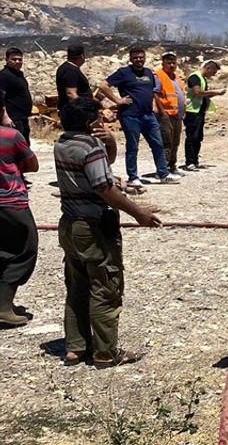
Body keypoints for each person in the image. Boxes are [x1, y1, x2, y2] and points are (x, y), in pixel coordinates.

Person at [54, 97, 162, 367]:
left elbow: (103, 164)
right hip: (94, 226)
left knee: (77, 286)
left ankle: (76, 347)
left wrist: (110, 141)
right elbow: (104, 186)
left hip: (70, 223)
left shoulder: (63, 143)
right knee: (105, 287)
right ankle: (105, 352)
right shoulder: (90, 147)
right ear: (91, 121)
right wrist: (139, 213)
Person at [100, 47, 177, 189]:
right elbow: (103, 86)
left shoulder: (148, 73)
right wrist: (117, 100)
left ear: (145, 57)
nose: (139, 60)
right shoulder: (124, 73)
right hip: (130, 115)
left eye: (141, 57)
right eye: (135, 57)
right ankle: (133, 177)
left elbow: (152, 91)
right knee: (133, 147)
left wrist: (154, 106)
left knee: (158, 144)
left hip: (148, 115)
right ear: (130, 59)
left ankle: (163, 174)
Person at [0, 121, 38, 327]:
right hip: (10, 201)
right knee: (25, 250)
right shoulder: (10, 136)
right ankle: (4, 307)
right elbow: (33, 164)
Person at [183, 60, 224, 171]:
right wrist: (215, 92)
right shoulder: (194, 77)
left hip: (200, 111)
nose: (213, 75)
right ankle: (189, 162)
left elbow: (203, 96)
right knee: (192, 137)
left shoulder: (203, 79)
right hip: (192, 111)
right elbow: (197, 92)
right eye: (213, 72)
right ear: (208, 68)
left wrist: (215, 95)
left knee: (198, 137)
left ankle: (195, 161)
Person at [154, 53, 186, 176]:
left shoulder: (177, 78)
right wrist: (162, 112)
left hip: (177, 115)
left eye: (174, 63)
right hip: (165, 115)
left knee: (175, 141)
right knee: (166, 141)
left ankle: (172, 165)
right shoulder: (159, 76)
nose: (172, 65)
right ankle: (163, 168)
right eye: (169, 63)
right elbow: (155, 94)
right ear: (163, 64)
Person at [0, 48, 32, 141]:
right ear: (6, 60)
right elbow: (0, 97)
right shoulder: (4, 75)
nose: (17, 62)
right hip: (13, 119)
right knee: (15, 147)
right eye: (14, 59)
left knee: (24, 146)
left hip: (22, 118)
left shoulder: (18, 75)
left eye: (20, 59)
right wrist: (5, 117)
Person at [56, 44, 92, 113]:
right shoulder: (70, 71)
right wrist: (85, 109)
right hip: (74, 113)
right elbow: (71, 94)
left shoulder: (66, 68)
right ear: (82, 56)